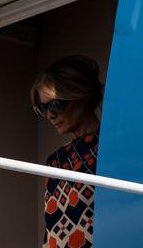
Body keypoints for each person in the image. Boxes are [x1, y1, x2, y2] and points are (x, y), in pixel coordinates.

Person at [30, 55, 102, 248]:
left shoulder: (110, 148)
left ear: (80, 96)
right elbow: (51, 230)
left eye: (55, 105)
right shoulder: (55, 160)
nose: (50, 115)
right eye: (43, 109)